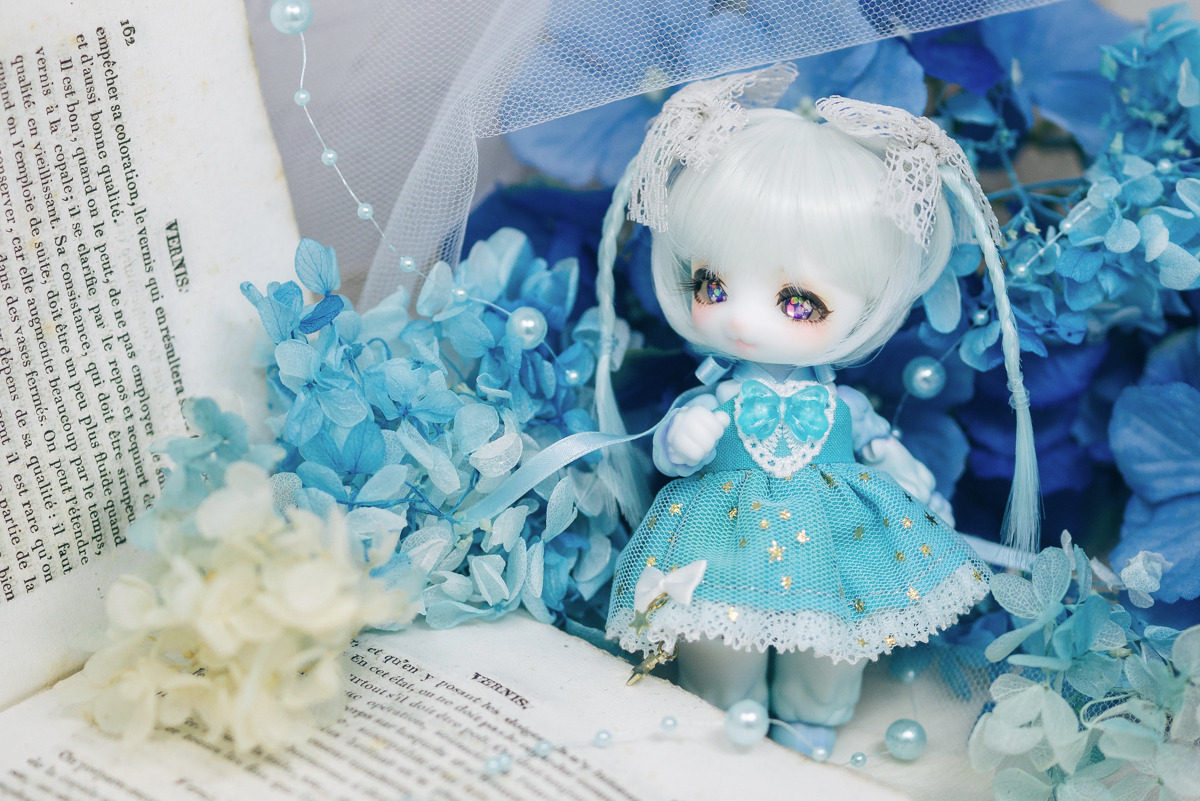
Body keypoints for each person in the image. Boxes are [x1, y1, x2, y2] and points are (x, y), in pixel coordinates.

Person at [600, 65, 1038, 754]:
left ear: (872, 303)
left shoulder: (844, 406)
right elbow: (672, 449)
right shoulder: (717, 397)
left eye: (797, 302)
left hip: (833, 540)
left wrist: (913, 480)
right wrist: (684, 440)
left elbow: (878, 445)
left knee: (833, 634)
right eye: (711, 285)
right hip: (721, 537)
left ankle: (813, 714)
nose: (741, 320)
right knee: (719, 633)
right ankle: (724, 705)